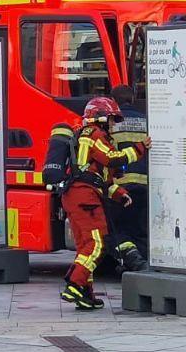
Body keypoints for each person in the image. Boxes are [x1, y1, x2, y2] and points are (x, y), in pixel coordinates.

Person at [61, 96, 148, 310]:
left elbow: (101, 177)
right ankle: (74, 283)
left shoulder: (85, 135)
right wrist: (140, 148)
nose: (113, 125)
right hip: (85, 196)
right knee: (96, 244)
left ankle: (85, 294)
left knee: (85, 245)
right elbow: (112, 158)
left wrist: (119, 193)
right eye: (111, 119)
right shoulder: (95, 134)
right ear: (100, 117)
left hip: (78, 194)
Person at [107, 84, 150, 272]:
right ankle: (143, 267)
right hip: (144, 184)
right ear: (132, 99)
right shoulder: (146, 121)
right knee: (140, 230)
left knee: (118, 228)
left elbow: (108, 153)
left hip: (120, 187)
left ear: (113, 102)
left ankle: (128, 263)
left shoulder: (112, 123)